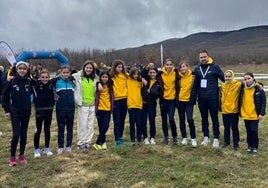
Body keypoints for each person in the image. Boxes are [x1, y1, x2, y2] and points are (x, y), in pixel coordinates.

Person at [191, 50, 224, 148]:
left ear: (208, 57)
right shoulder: (197, 69)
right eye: (201, 57)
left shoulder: (215, 67)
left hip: (213, 98)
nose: (203, 59)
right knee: (204, 119)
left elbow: (224, 79)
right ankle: (206, 137)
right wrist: (193, 98)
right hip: (202, 99)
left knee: (214, 118)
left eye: (204, 57)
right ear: (199, 58)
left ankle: (216, 138)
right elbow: (195, 85)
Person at [2, 61, 32, 166]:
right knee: (16, 134)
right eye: (20, 68)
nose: (22, 70)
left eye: (24, 68)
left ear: (27, 70)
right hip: (15, 112)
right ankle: (12, 157)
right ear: (16, 69)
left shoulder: (29, 81)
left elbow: (42, 84)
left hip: (26, 112)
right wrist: (7, 110)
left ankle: (22, 155)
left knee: (23, 134)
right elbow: (4, 96)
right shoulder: (11, 81)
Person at [238, 72, 266, 155]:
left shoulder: (259, 89)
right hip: (246, 114)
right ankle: (249, 147)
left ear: (253, 78)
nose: (247, 80)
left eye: (249, 78)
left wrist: (261, 113)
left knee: (254, 131)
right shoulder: (242, 88)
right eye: (245, 79)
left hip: (255, 115)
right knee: (248, 131)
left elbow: (263, 102)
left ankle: (255, 147)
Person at [72, 60, 98, 150]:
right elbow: (69, 75)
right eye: (87, 67)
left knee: (90, 124)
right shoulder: (77, 77)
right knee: (82, 124)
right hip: (82, 104)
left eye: (90, 68)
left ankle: (88, 141)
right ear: (83, 68)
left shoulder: (95, 79)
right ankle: (81, 142)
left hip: (92, 104)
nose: (88, 69)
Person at [32, 70, 55, 157]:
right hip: (39, 109)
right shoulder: (35, 83)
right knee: (38, 130)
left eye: (46, 77)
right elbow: (26, 77)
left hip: (49, 109)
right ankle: (36, 149)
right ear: (39, 78)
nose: (45, 79)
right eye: (42, 77)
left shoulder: (52, 83)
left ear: (49, 77)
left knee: (47, 129)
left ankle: (47, 148)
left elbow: (64, 76)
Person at [53, 66, 75, 155]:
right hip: (60, 109)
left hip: (70, 108)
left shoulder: (73, 82)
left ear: (70, 73)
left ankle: (69, 146)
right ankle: (60, 147)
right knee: (61, 128)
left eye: (67, 72)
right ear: (61, 72)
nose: (65, 74)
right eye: (64, 72)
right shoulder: (56, 81)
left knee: (70, 128)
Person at [158, 58, 179, 145]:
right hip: (163, 100)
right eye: (167, 65)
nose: (169, 66)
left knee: (171, 118)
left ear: (173, 65)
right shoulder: (160, 74)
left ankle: (174, 137)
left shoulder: (176, 73)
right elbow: (148, 75)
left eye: (170, 64)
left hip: (172, 100)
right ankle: (166, 137)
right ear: (164, 66)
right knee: (164, 119)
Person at [176, 62, 197, 147]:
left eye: (184, 66)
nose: (182, 68)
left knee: (190, 119)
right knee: (181, 120)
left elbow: (195, 89)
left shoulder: (193, 76)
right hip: (180, 101)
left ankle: (193, 139)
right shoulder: (178, 77)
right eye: (181, 67)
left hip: (189, 101)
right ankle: (184, 137)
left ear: (187, 67)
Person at [219, 70, 241, 150]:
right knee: (226, 127)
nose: (228, 78)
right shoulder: (222, 86)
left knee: (234, 127)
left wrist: (258, 85)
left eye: (229, 76)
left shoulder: (238, 85)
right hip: (225, 110)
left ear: (232, 76)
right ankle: (226, 142)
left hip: (234, 111)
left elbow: (249, 85)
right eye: (226, 76)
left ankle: (236, 144)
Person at [93, 70, 114, 150]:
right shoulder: (98, 85)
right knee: (101, 127)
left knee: (106, 126)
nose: (104, 79)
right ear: (100, 78)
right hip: (99, 109)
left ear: (108, 78)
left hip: (107, 109)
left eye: (106, 77)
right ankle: (103, 142)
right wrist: (98, 83)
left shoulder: (110, 85)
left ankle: (98, 142)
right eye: (103, 77)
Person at [109, 59, 128, 148]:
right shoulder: (111, 77)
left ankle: (120, 137)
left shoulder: (125, 76)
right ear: (114, 67)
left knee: (122, 120)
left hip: (125, 99)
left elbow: (136, 76)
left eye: (121, 67)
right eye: (118, 67)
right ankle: (117, 140)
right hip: (116, 100)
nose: (120, 69)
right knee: (117, 120)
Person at [141, 67, 160, 145]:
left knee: (152, 122)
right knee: (143, 121)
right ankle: (145, 137)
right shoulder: (146, 79)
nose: (152, 74)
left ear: (156, 73)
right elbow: (141, 74)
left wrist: (151, 91)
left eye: (153, 72)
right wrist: (147, 67)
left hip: (152, 105)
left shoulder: (158, 82)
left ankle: (152, 137)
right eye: (150, 72)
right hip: (143, 104)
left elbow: (158, 95)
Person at [127, 67, 143, 145]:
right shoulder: (128, 81)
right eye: (134, 74)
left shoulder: (140, 82)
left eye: (137, 74)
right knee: (132, 123)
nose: (136, 75)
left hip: (139, 105)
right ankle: (132, 139)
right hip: (131, 105)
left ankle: (139, 138)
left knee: (139, 123)